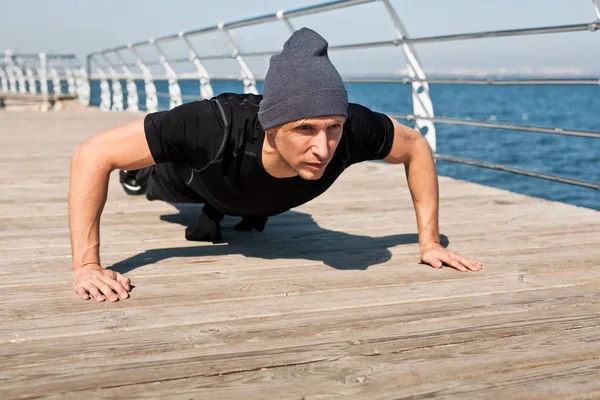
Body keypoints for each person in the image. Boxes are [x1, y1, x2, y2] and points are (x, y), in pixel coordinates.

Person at [69, 28, 482, 303]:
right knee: (146, 182)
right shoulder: (212, 125)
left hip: (254, 197)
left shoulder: (352, 131)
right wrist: (87, 266)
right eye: (305, 129)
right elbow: (91, 154)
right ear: (271, 125)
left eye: (332, 128)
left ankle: (233, 209)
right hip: (189, 178)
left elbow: (415, 146)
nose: (323, 148)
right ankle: (142, 175)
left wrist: (429, 242)